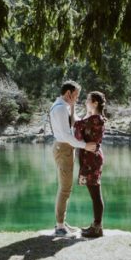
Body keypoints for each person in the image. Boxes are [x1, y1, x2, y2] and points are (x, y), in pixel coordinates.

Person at [49, 81, 97, 236]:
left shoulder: (64, 107)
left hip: (65, 148)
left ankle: (62, 223)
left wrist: (80, 109)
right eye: (76, 95)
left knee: (66, 188)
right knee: (64, 188)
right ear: (68, 93)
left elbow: (77, 122)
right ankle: (59, 226)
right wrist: (84, 146)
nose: (77, 98)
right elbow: (65, 135)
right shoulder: (60, 108)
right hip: (63, 148)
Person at [74, 91, 107, 238]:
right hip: (90, 158)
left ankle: (97, 227)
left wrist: (73, 110)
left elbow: (77, 128)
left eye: (88, 100)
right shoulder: (93, 118)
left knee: (95, 194)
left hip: (92, 159)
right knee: (94, 193)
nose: (86, 102)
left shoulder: (94, 119)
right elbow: (79, 132)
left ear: (95, 103)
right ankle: (96, 225)